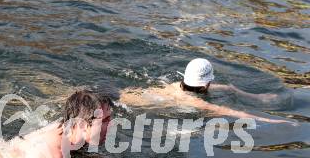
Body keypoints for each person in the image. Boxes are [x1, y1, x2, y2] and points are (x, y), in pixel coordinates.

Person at [119, 58, 293, 124]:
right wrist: (273, 121)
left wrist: (256, 96)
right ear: (204, 85)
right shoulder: (194, 101)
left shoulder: (176, 86)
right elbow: (231, 112)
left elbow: (228, 88)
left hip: (127, 93)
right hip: (121, 104)